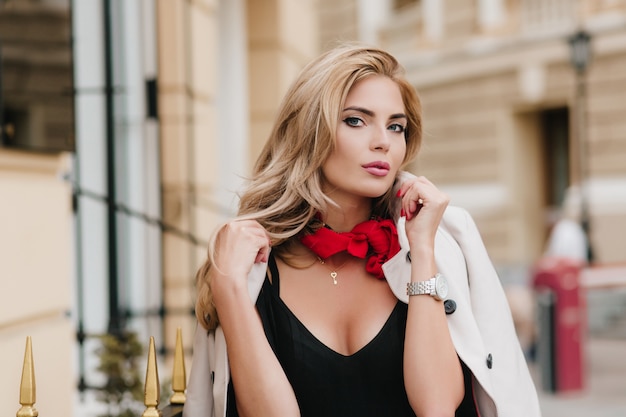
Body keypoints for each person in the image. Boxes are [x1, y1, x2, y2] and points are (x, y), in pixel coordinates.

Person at [184, 43, 541, 417]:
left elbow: (436, 407)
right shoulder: (250, 265)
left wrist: (422, 253)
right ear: (310, 130)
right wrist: (228, 290)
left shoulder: (439, 244)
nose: (383, 142)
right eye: (356, 120)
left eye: (396, 126)